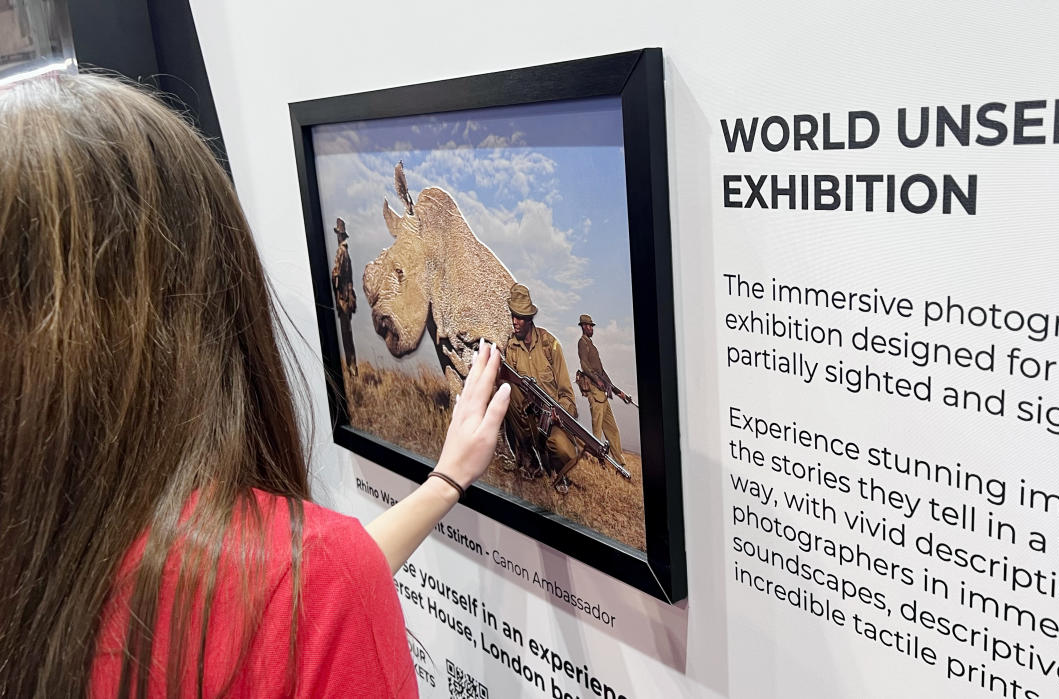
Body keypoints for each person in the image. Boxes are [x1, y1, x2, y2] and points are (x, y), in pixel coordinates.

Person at [0, 72, 510, 698]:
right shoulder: (302, 580)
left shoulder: (42, 542)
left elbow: (290, 600)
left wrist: (445, 482)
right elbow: (297, 602)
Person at [502, 283, 579, 482]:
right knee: (506, 387)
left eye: (519, 317)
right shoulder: (512, 347)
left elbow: (567, 396)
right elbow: (514, 394)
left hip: (552, 420)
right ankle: (529, 459)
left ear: (529, 319)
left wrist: (558, 414)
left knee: (565, 451)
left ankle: (552, 465)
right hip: (528, 420)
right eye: (513, 316)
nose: (514, 322)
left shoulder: (550, 345)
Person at [575, 314, 630, 467]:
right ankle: (594, 460)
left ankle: (619, 462)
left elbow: (602, 372)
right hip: (595, 391)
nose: (591, 328)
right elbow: (585, 366)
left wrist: (618, 392)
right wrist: (597, 380)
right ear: (583, 327)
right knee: (597, 429)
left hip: (602, 393)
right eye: (588, 326)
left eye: (592, 326)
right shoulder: (582, 343)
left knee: (612, 429)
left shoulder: (592, 346)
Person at [331, 217, 359, 377]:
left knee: (346, 335)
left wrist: (332, 276)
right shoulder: (345, 252)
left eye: (338, 233)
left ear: (340, 235)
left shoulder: (341, 251)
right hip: (347, 297)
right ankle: (353, 368)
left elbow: (337, 274)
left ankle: (352, 368)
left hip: (343, 298)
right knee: (348, 334)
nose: (337, 236)